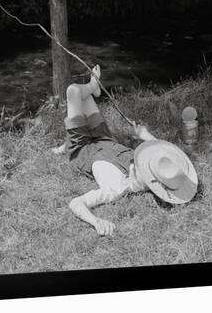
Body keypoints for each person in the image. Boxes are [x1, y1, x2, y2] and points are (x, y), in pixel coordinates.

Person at [51, 65, 198, 236]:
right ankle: (91, 92)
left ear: (150, 182)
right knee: (84, 98)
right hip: (103, 137)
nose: (145, 162)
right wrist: (144, 134)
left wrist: (96, 221)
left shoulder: (116, 187)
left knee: (74, 92)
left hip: (82, 148)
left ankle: (92, 87)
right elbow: (164, 151)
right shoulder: (149, 166)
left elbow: (76, 203)